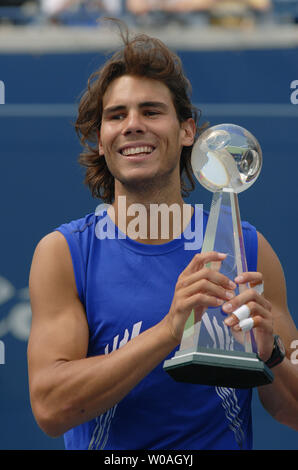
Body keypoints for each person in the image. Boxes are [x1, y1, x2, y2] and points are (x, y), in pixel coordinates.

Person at [27, 21, 298, 450]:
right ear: (100, 139)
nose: (133, 125)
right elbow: (50, 407)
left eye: (151, 111)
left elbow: (293, 410)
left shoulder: (247, 249)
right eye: (117, 115)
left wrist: (270, 356)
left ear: (188, 131)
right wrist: (170, 330)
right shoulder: (65, 253)